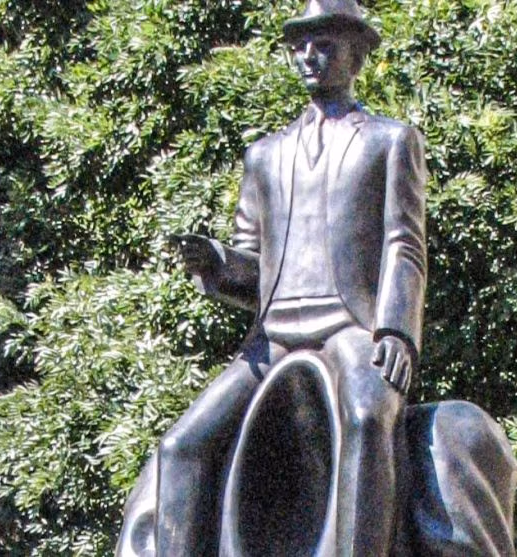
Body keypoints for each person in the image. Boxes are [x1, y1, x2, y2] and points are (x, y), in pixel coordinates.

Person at [159, 1, 426, 554]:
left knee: (367, 416)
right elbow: (252, 266)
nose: (308, 57)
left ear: (356, 55)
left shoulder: (390, 140)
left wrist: (396, 330)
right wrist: (215, 262)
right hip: (272, 338)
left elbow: (404, 242)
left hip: (350, 328)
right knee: (181, 446)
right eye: (299, 47)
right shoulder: (264, 156)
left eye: (324, 45)